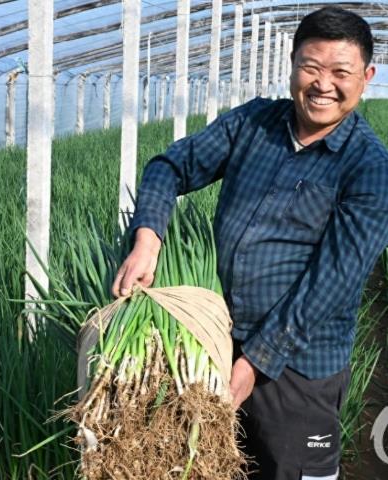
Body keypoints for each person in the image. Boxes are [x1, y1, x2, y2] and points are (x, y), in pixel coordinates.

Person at [112, 6, 388, 480]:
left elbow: (331, 284)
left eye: (341, 72)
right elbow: (169, 166)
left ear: (366, 77)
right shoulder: (255, 122)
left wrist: (254, 363)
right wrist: (148, 239)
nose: (323, 84)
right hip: (218, 342)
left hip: (299, 367)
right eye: (311, 67)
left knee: (289, 471)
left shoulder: (370, 168)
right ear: (292, 64)